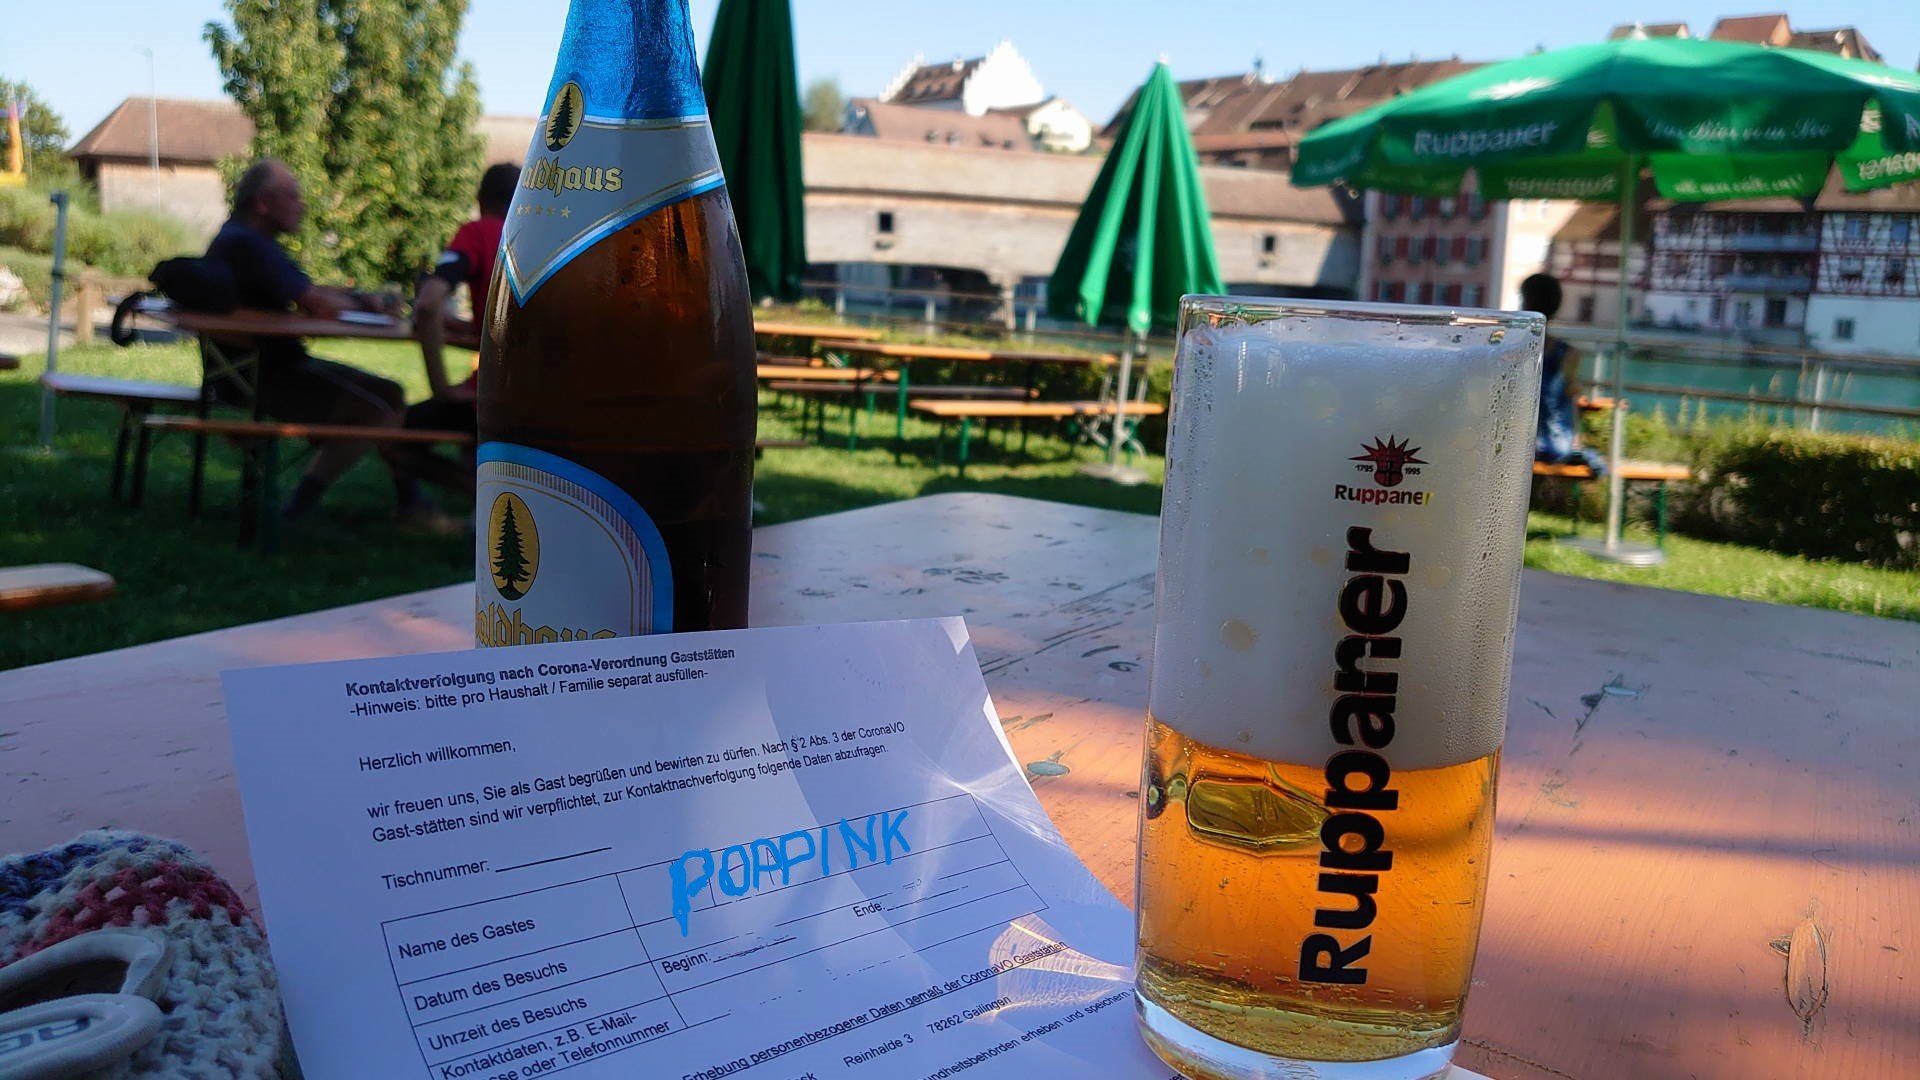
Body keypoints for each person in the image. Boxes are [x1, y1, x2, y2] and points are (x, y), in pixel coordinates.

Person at [204, 159, 407, 520]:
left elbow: (308, 291)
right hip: (259, 379)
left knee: (390, 392)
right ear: (263, 202)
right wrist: (366, 303)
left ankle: (411, 501)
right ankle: (296, 512)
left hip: (256, 371)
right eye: (293, 196)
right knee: (374, 413)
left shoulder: (241, 239)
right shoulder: (248, 245)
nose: (302, 205)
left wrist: (358, 298)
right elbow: (317, 304)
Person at [386, 163, 519, 516]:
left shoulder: (480, 233)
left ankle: (461, 503)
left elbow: (427, 304)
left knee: (390, 433)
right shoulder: (551, 238)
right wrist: (470, 326)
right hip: (541, 397)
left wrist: (441, 387)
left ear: (481, 199)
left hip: (490, 397)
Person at [1519, 272, 1604, 473]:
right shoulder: (1567, 354)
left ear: (1525, 303)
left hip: (1524, 444)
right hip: (1556, 443)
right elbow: (1570, 399)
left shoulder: (1513, 350)